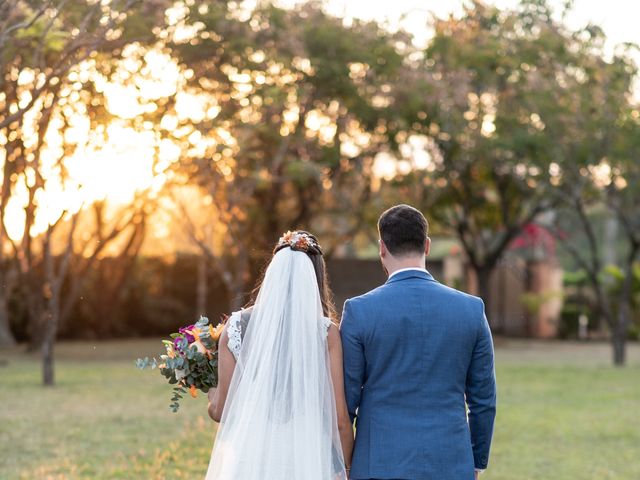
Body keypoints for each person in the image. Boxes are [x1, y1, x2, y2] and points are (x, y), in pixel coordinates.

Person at [341, 204, 497, 480]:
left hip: (378, 465)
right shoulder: (471, 310)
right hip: (450, 464)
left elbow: (346, 402)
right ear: (426, 245)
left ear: (381, 248)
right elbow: (483, 401)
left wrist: (345, 463)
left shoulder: (358, 311)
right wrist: (476, 461)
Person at [205, 230, 353, 479]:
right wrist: (347, 468)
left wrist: (210, 391)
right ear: (315, 277)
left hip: (251, 458)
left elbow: (221, 411)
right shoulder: (326, 333)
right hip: (306, 458)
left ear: (272, 275)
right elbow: (339, 419)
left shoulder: (235, 327)